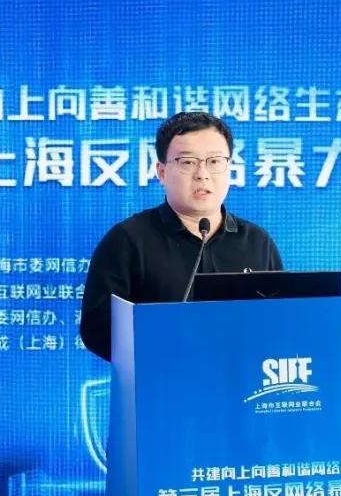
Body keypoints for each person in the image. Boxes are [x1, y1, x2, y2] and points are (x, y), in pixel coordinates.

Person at [79, 111, 284, 362]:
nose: (202, 174)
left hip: (242, 381)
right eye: (187, 162)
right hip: (160, 380)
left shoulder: (257, 242)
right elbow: (97, 329)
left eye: (215, 161)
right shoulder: (127, 240)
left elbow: (279, 321)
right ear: (162, 171)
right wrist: (163, 347)